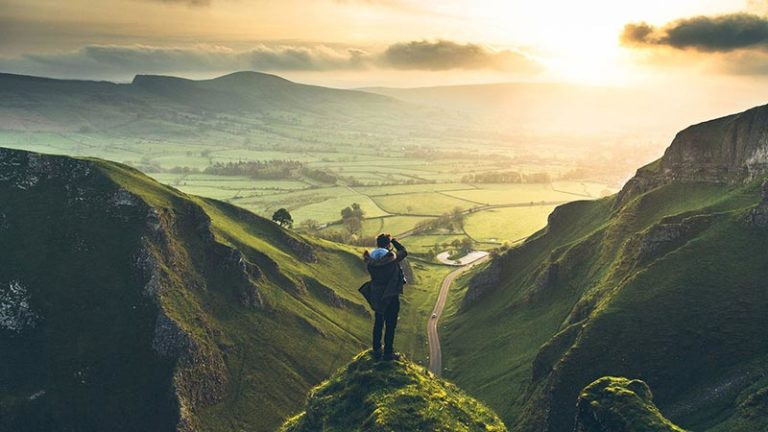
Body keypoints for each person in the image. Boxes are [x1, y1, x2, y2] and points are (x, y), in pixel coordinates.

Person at [362, 233, 407, 361]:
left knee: (378, 322)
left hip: (376, 295)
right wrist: (394, 241)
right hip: (391, 294)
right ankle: (388, 353)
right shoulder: (392, 258)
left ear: (377, 244)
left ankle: (376, 350)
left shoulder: (370, 259)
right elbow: (404, 251)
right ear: (388, 244)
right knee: (391, 324)